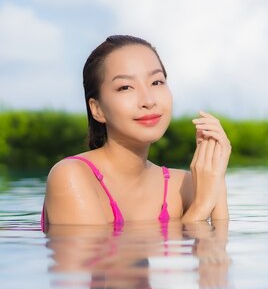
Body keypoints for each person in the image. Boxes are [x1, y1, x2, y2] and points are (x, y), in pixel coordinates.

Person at [41, 35, 230, 231]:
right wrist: (200, 208)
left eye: (156, 82)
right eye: (125, 87)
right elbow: (100, 260)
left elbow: (216, 257)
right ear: (97, 109)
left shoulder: (182, 186)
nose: (148, 100)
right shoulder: (71, 176)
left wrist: (217, 179)